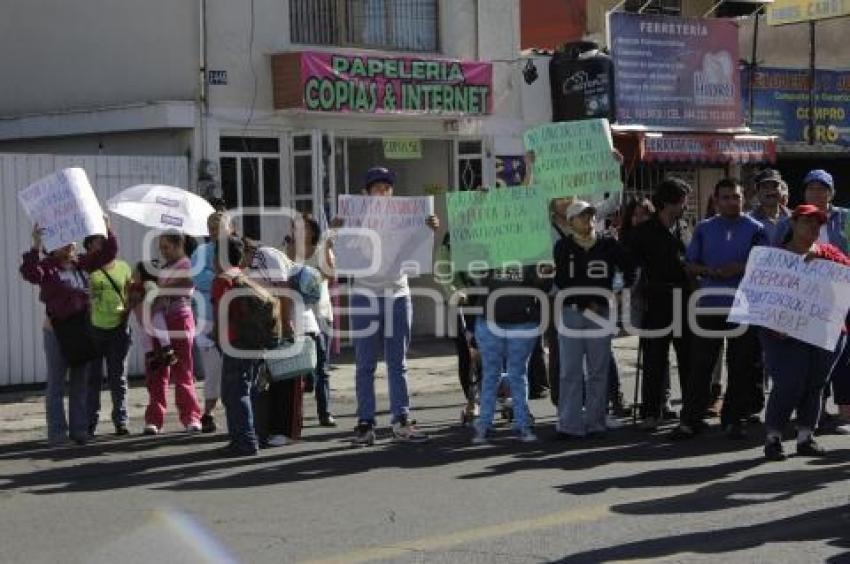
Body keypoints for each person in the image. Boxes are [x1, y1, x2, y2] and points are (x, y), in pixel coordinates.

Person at [331, 166, 439, 445]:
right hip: (364, 296)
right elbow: (338, 250)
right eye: (377, 187)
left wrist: (429, 228)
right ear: (365, 193)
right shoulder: (353, 218)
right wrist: (335, 229)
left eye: (387, 187)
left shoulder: (404, 218)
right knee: (364, 364)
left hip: (398, 296)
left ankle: (401, 419)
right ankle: (366, 423)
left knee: (397, 363)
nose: (383, 191)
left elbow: (418, 246)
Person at [675, 178, 767, 440]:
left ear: (744, 199)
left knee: (740, 366)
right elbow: (690, 265)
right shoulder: (704, 228)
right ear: (716, 200)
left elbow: (765, 267)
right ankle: (691, 419)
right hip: (709, 306)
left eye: (736, 197)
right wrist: (709, 272)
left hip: (744, 308)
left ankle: (732, 419)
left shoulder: (756, 229)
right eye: (725, 197)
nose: (731, 202)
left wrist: (740, 267)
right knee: (701, 365)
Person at [760, 205, 850, 460]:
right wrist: (774, 324)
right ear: (793, 223)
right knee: (789, 382)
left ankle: (805, 436)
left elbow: (847, 276)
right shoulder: (775, 257)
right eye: (807, 222)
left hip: (825, 330)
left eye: (817, 223)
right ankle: (773, 437)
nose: (812, 227)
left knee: (815, 384)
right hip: (783, 333)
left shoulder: (829, 254)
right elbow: (760, 297)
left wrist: (822, 263)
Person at [20, 219, 118, 445]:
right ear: (53, 246)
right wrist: (35, 246)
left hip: (80, 330)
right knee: (56, 383)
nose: (71, 246)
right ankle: (57, 433)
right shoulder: (47, 266)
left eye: (72, 242)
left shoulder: (81, 264)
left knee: (79, 382)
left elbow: (108, 253)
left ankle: (79, 431)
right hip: (56, 331)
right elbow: (30, 273)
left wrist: (107, 229)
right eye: (65, 243)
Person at [773, 169, 850, 431]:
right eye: (811, 188)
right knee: (807, 363)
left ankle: (844, 413)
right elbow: (775, 259)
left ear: (832, 193)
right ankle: (809, 417)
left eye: (822, 188)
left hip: (838, 299)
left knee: (841, 358)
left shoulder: (846, 218)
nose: (817, 193)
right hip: (802, 302)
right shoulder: (789, 221)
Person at [554, 201, 634, 438]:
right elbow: (563, 280)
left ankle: (596, 421)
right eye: (581, 216)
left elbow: (629, 269)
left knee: (598, 369)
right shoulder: (562, 246)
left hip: (601, 313)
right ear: (570, 222)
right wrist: (584, 299)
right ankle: (569, 424)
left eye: (590, 215)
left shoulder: (608, 243)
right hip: (572, 312)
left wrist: (620, 294)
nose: (587, 219)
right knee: (570, 370)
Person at [625, 182, 692, 431]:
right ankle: (651, 411)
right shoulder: (643, 232)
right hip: (654, 301)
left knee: (687, 358)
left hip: (684, 300)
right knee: (654, 358)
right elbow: (630, 265)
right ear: (668, 202)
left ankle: (690, 409)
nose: (685, 206)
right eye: (683, 200)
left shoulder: (684, 228)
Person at [471, 260, 551, 444]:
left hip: (523, 320)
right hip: (489, 320)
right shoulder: (485, 248)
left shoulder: (532, 252)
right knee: (492, 374)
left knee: (517, 373)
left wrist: (545, 274)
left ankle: (522, 424)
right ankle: (485, 424)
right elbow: (475, 280)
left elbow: (543, 287)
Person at [243, 240, 307, 447]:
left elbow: (284, 290)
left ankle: (287, 432)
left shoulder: (266, 255)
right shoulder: (247, 265)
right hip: (270, 328)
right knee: (271, 380)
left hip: (286, 324)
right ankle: (272, 429)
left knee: (287, 379)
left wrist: (287, 325)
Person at [142, 232, 202, 435]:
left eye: (166, 247)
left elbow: (187, 284)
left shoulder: (188, 264)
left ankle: (191, 417)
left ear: (179, 245)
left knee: (182, 370)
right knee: (157, 370)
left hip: (179, 319)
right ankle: (154, 419)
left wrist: (160, 290)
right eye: (161, 247)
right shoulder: (164, 268)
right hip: (160, 321)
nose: (163, 251)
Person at [212, 236, 261, 456]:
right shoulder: (245, 276)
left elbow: (221, 314)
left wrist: (218, 339)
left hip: (233, 342)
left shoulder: (222, 280)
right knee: (241, 390)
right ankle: (240, 438)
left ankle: (246, 441)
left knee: (235, 393)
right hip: (251, 341)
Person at [286, 214, 337, 427]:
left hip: (320, 313)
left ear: (312, 231)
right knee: (300, 366)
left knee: (321, 367)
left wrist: (327, 247)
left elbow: (330, 275)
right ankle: (296, 412)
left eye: (303, 227)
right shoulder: (289, 251)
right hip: (298, 316)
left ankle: (324, 412)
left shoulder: (320, 250)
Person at [84, 233, 133, 436]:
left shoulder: (123, 267)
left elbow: (130, 292)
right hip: (94, 329)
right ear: (88, 249)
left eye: (102, 243)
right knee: (92, 378)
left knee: (117, 377)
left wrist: (127, 311)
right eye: (95, 245)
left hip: (118, 329)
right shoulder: (88, 271)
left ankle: (120, 421)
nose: (100, 248)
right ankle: (89, 422)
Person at [191, 211, 233, 433]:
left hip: (234, 318)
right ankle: (208, 412)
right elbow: (199, 279)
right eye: (213, 229)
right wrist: (222, 277)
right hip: (208, 317)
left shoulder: (236, 249)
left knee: (234, 370)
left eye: (221, 228)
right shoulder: (202, 251)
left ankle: (236, 413)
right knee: (213, 370)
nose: (217, 233)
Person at [435, 232, 481, 424]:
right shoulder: (448, 243)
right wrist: (454, 292)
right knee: (467, 353)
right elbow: (443, 273)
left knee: (489, 351)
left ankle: (498, 394)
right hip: (461, 300)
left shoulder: (490, 233)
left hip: (487, 297)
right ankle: (472, 400)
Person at [749, 169, 790, 245]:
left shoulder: (794, 218)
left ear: (781, 190)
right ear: (757, 192)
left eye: (775, 186)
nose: (771, 191)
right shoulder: (748, 221)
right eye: (765, 187)